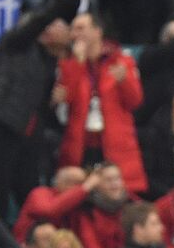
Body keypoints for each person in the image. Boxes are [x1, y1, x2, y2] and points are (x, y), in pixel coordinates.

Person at [0, 0, 95, 219]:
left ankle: (26, 240)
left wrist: (52, 101)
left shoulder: (50, 61)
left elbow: (48, 108)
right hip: (3, 125)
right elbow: (43, 16)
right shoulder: (18, 44)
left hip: (29, 133)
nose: (69, 34)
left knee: (30, 194)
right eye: (63, 27)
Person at [57, 13, 147, 195]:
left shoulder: (122, 61)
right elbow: (66, 99)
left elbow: (135, 101)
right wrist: (77, 63)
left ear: (97, 32)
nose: (75, 34)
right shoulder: (67, 63)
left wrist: (125, 81)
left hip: (115, 143)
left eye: (80, 28)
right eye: (73, 29)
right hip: (81, 145)